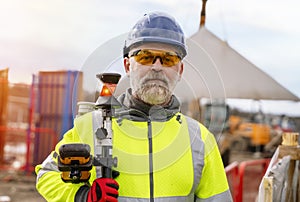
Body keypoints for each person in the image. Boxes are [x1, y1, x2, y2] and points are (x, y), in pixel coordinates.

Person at [35, 11, 232, 202]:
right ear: (128, 66)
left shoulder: (200, 139)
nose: (156, 67)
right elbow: (46, 175)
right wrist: (82, 196)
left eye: (168, 59)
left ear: (180, 70)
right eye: (145, 56)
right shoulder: (90, 126)